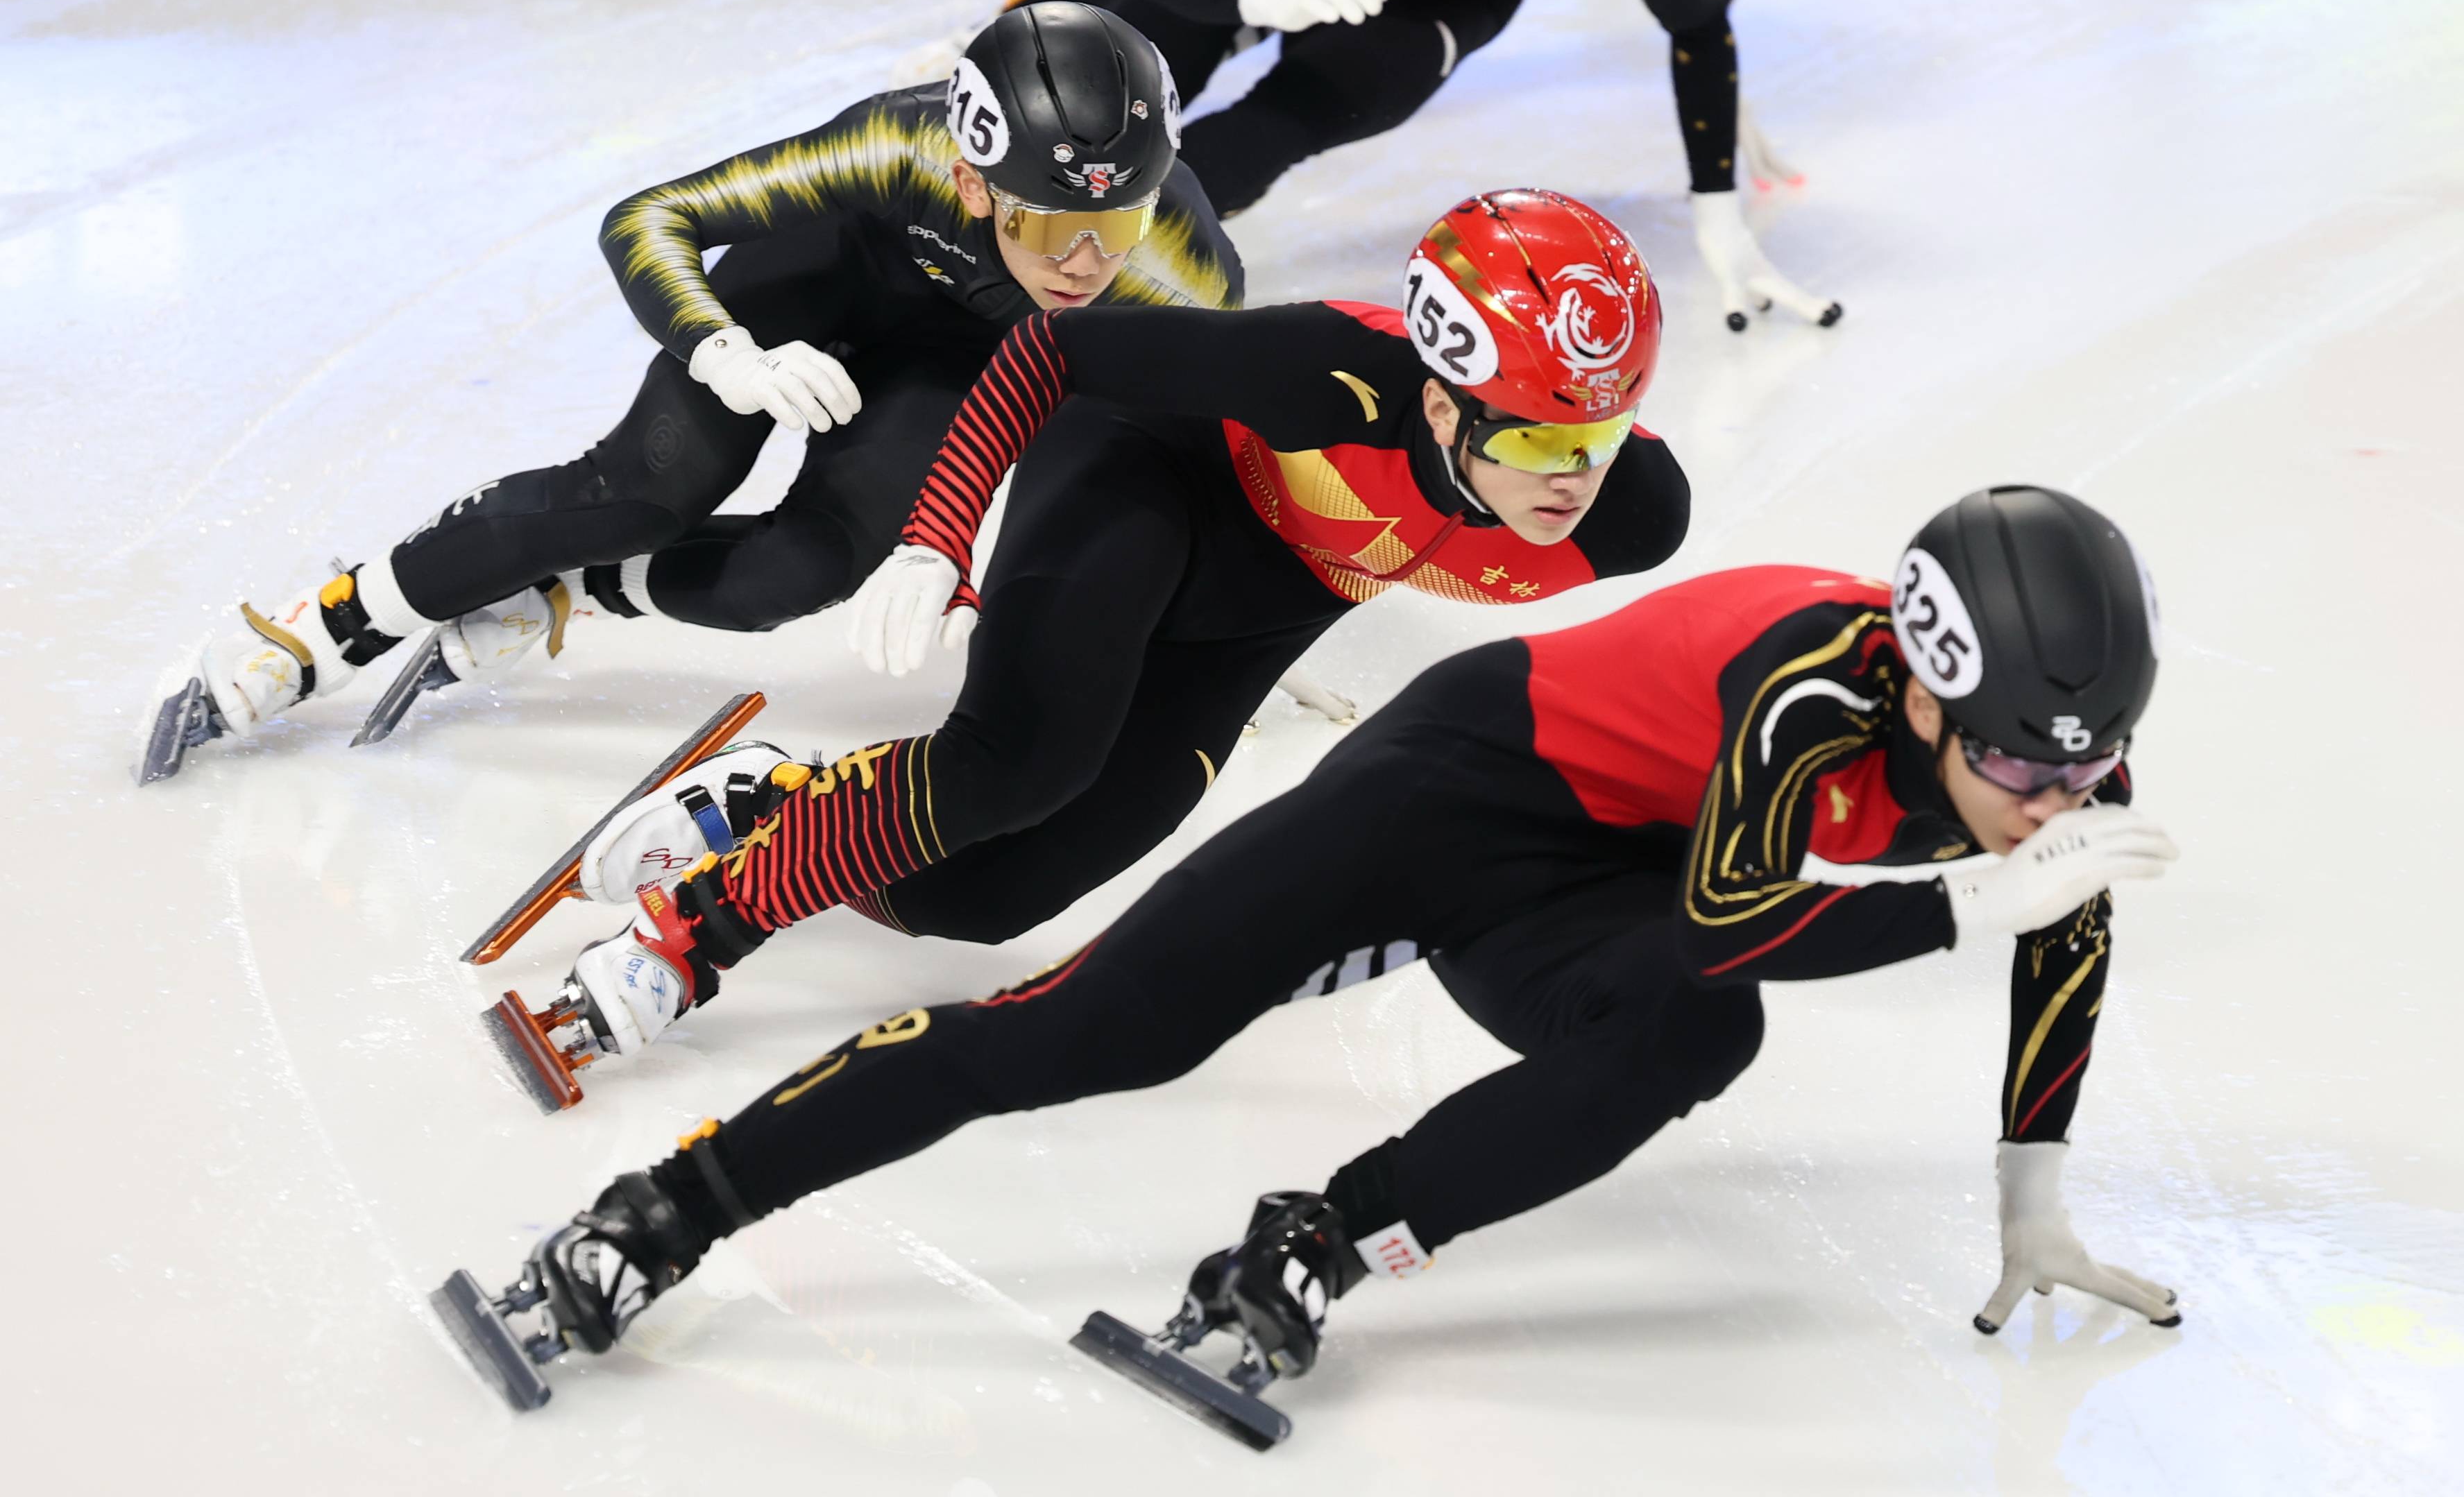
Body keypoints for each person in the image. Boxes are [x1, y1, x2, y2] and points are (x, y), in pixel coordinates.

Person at [436, 485, 2182, 1428]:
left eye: (2085, 767)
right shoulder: (1808, 692)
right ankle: (662, 1216)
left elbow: (2049, 938)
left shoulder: (2056, 758)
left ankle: (1314, 1249)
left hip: (1600, 880)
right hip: (1456, 789)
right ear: (1924, 690)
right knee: (1085, 1033)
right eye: (2019, 770)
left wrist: (2034, 1202)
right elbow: (1745, 910)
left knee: (1685, 1036)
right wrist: (1964, 904)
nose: (2054, 803)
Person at [493, 188, 1693, 1089]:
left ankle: (773, 807)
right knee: (1020, 760)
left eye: (1600, 437)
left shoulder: (1637, 514)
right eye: (1536, 442)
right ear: (1440, 398)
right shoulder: (1328, 373)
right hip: (1144, 475)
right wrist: (934, 536)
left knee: (989, 897)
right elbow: (1049, 347)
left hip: (1262, 607)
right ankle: (688, 936)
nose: (1573, 479)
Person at [137, 3, 1239, 782]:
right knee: (643, 489)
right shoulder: (895, 144)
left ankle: (565, 593)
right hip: (810, 289)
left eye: (1119, 222)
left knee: (793, 577)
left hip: (948, 364)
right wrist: (723, 353)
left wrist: (1198, 615)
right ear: (965, 173)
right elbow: (649, 217)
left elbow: (1191, 447)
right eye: (1049, 227)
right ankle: (323, 627)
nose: (1087, 264)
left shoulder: (1178, 274)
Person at [1012, 0, 1833, 330]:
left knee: (1300, 114)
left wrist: (1717, 202)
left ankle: (1098, 270)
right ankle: (1030, 18)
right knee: (1122, 60)